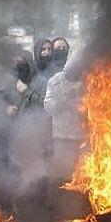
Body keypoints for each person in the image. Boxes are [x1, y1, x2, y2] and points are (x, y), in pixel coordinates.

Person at [44, 48, 85, 179]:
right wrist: (62, 102)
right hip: (62, 138)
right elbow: (48, 105)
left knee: (84, 174)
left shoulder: (89, 79)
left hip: (83, 138)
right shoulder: (55, 81)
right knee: (64, 174)